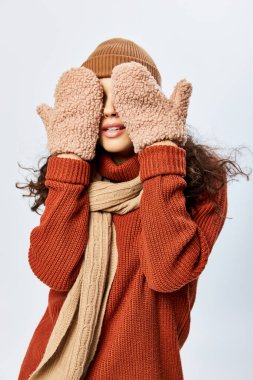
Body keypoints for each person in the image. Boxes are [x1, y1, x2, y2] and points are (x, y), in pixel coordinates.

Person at [16, 37, 249, 380]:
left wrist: (158, 147)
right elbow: (53, 271)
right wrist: (68, 158)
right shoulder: (73, 176)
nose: (109, 110)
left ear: (150, 103)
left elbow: (167, 272)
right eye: (98, 99)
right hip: (54, 368)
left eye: (125, 96)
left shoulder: (202, 184)